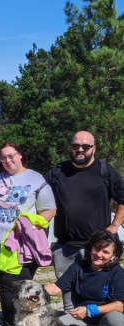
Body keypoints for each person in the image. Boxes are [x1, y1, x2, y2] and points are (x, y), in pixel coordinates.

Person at [0, 142, 56, 326]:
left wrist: (32, 225)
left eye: (11, 156)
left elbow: (49, 210)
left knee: (17, 289)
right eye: (3, 158)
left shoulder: (35, 179)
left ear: (20, 155)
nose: (7, 161)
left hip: (20, 246)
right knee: (7, 289)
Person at [45, 130, 124, 312]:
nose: (80, 149)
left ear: (93, 149)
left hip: (99, 248)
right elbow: (34, 189)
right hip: (65, 246)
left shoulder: (104, 170)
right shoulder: (57, 172)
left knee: (101, 292)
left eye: (85, 146)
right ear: (70, 148)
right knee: (67, 295)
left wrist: (114, 226)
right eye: (75, 146)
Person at [45, 230, 124, 326]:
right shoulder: (78, 266)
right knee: (51, 325)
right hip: (82, 320)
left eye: (105, 252)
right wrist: (32, 289)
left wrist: (90, 310)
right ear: (91, 248)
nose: (99, 254)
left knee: (115, 320)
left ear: (113, 256)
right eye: (97, 249)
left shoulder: (117, 273)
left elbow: (119, 306)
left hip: (105, 321)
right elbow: (56, 288)